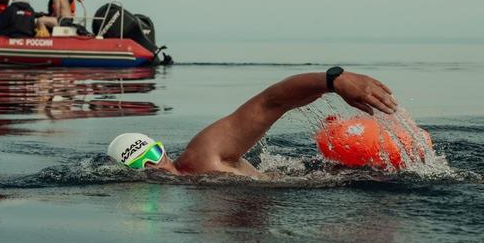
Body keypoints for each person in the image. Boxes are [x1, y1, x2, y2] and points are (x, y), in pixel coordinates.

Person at [107, 67, 398, 177]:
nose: (155, 168)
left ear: (163, 150)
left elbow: (271, 101)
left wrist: (333, 80)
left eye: (154, 155)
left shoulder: (202, 156)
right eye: (141, 166)